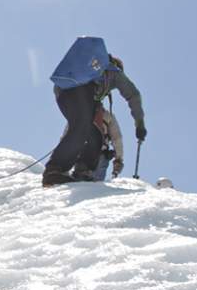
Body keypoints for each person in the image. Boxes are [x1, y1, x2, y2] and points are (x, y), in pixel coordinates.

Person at [43, 37, 144, 187]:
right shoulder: (114, 73)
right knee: (83, 128)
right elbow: (133, 95)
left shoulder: (88, 73)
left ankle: (82, 171)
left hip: (62, 91)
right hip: (81, 91)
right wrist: (140, 124)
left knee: (93, 133)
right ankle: (55, 170)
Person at [73, 105, 125, 182]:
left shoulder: (79, 114)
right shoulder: (108, 115)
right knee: (96, 188)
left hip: (82, 155)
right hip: (101, 156)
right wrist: (119, 159)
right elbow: (117, 138)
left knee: (79, 185)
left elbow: (67, 136)